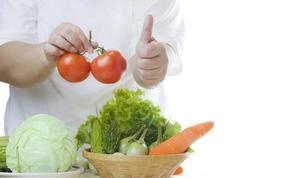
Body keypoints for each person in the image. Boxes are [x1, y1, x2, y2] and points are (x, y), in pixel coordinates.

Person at [0, 0, 184, 135]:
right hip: (39, 152)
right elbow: (5, 64)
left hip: (127, 151)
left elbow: (161, 49)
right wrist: (45, 55)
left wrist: (149, 65)